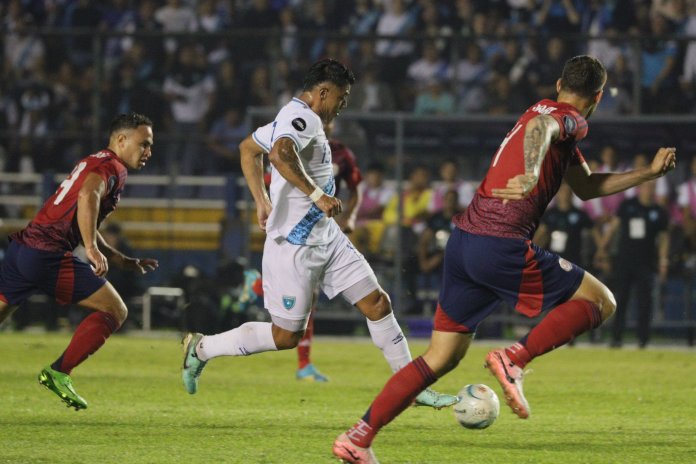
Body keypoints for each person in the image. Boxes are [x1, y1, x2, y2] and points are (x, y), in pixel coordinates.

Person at [332, 55, 677, 463]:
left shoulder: (541, 111)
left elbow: (584, 186)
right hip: (499, 243)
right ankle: (514, 358)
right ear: (598, 97)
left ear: (559, 81)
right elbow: (542, 129)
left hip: (463, 243)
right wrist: (531, 172)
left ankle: (359, 437)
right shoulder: (569, 119)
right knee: (601, 302)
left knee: (441, 357)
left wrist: (647, 175)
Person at [180, 58, 457, 410]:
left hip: (327, 237)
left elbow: (248, 149)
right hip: (294, 246)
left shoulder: (291, 116)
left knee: (377, 303)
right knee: (285, 336)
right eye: (341, 98)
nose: (342, 106)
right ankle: (202, 348)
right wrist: (317, 195)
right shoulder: (303, 118)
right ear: (323, 92)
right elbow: (280, 154)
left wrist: (261, 201)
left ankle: (411, 387)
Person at [0, 112, 158, 410]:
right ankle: (59, 372)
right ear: (122, 140)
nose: (149, 151)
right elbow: (88, 197)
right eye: (144, 144)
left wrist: (118, 257)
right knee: (115, 310)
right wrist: (89, 248)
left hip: (23, 249)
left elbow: (85, 212)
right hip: (46, 254)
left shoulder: (95, 159)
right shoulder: (113, 166)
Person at [296, 119, 364, 383]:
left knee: (309, 294)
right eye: (320, 121)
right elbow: (271, 179)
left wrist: (351, 218)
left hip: (323, 231)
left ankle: (304, 364)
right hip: (295, 229)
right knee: (305, 293)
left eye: (329, 121)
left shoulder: (342, 153)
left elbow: (355, 190)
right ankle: (257, 284)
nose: (325, 125)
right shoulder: (294, 149)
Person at [599, 181, 670, 348]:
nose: (648, 190)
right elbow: (613, 228)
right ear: (639, 189)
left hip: (646, 263)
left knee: (645, 303)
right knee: (620, 300)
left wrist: (663, 261)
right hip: (625, 261)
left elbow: (664, 239)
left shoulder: (658, 212)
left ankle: (643, 339)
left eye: (652, 187)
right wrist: (603, 248)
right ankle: (616, 338)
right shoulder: (627, 206)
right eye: (646, 187)